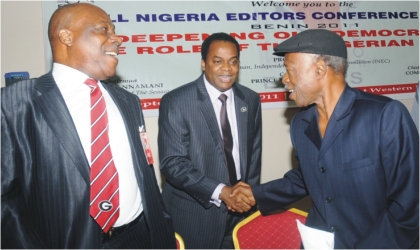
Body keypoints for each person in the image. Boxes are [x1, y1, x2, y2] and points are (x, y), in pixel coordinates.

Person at [1, 3, 175, 249]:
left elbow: (145, 174)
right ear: (66, 36)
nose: (117, 38)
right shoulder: (15, 102)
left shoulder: (127, 101)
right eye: (104, 29)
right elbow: (4, 200)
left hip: (140, 238)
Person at [232, 29, 419, 248]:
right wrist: (257, 194)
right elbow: (308, 176)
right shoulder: (300, 124)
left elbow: (409, 206)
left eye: (290, 70)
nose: (284, 79)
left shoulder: (384, 116)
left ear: (319, 70)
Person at [158, 32, 262, 249]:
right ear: (204, 64)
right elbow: (173, 164)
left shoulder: (250, 99)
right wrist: (221, 192)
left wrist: (247, 196)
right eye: (218, 61)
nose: (227, 69)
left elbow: (253, 155)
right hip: (195, 217)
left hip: (240, 214)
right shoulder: (177, 101)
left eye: (233, 62)